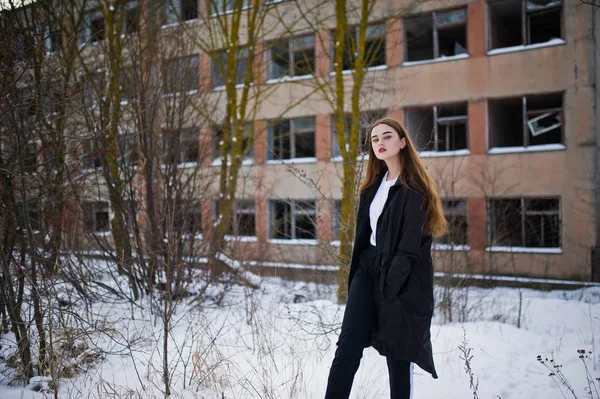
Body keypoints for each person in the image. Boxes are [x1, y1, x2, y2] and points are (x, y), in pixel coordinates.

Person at [324, 118, 448, 399]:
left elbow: (409, 249)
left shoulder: (415, 190)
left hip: (399, 277)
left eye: (387, 137)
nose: (380, 143)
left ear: (402, 142)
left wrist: (389, 288)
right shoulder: (372, 186)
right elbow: (366, 234)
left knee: (398, 353)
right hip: (368, 269)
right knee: (348, 345)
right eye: (375, 139)